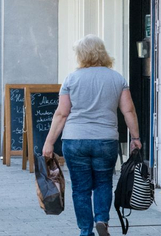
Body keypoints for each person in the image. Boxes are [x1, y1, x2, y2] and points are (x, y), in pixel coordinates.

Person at [42, 35, 142, 236]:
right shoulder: (117, 78)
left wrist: (49, 142)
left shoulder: (72, 79)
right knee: (103, 182)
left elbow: (62, 113)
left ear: (81, 55)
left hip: (75, 140)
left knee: (80, 188)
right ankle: (102, 220)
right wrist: (135, 138)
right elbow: (128, 111)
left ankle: (85, 231)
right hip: (105, 140)